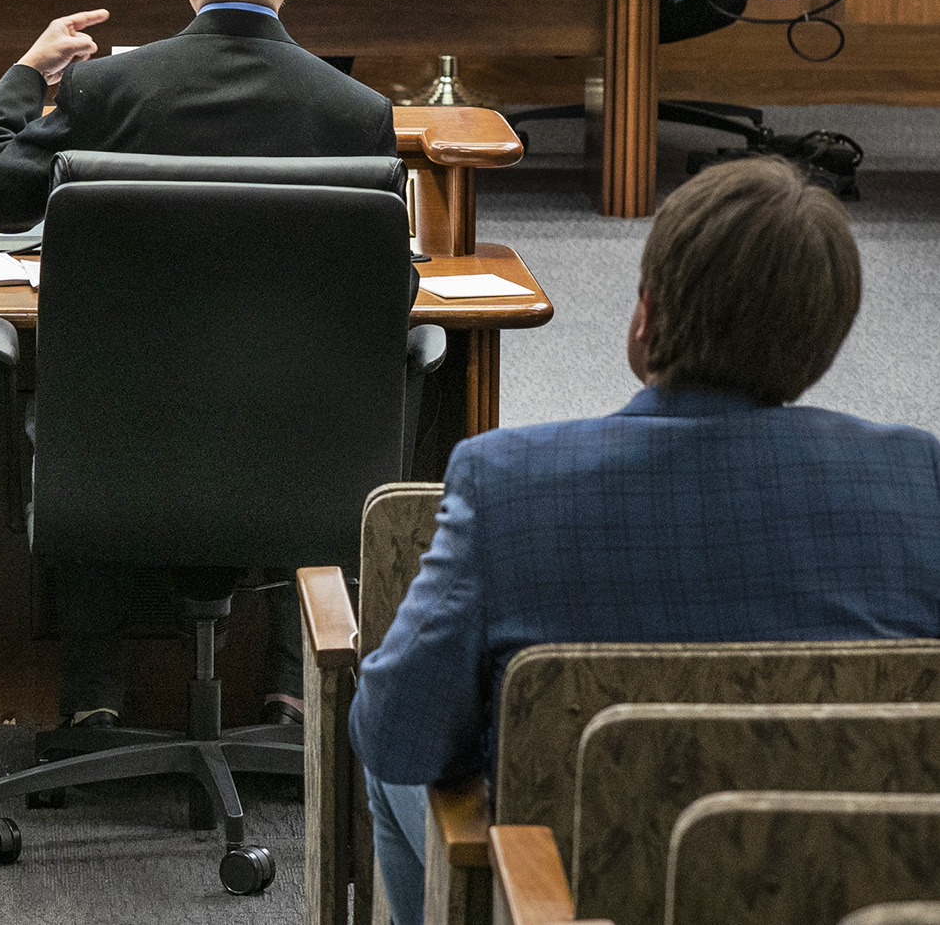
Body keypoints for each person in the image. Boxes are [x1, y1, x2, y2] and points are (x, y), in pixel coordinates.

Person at [349, 156, 940, 925]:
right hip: (850, 892)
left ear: (645, 319)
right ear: (823, 343)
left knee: (393, 770)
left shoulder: (508, 482)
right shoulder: (918, 477)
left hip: (569, 901)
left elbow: (397, 738)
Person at [0, 0, 399, 733]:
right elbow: (389, 287)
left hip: (125, 442)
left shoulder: (105, 92)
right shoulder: (356, 113)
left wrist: (25, 73)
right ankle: (290, 691)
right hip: (299, 450)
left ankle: (92, 700)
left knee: (91, 390)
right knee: (335, 387)